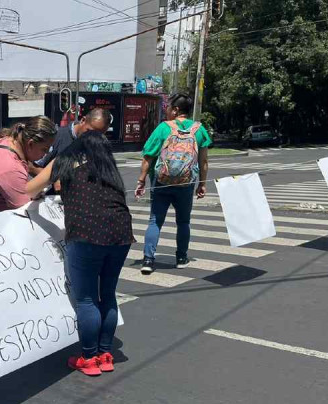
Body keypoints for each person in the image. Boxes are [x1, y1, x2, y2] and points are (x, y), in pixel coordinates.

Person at [54, 131, 135, 376]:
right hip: (121, 234)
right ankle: (105, 354)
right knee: (108, 294)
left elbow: (31, 188)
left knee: (86, 299)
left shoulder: (69, 167)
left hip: (86, 236)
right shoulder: (111, 174)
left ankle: (88, 358)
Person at [134, 93, 211, 273]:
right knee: (183, 222)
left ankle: (148, 260)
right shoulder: (199, 130)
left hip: (161, 183)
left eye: (168, 107)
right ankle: (182, 258)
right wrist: (202, 184)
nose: (166, 110)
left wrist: (141, 180)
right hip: (186, 185)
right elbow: (204, 162)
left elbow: (148, 157)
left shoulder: (163, 128)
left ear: (175, 110)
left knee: (155, 221)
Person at [35, 107, 111, 168]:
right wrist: (52, 180)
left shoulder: (98, 147)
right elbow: (32, 166)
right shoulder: (57, 137)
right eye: (89, 131)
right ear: (83, 120)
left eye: (98, 135)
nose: (92, 137)